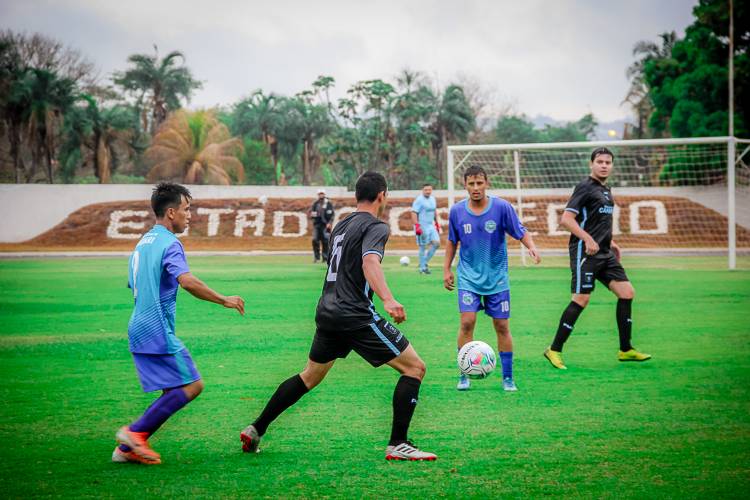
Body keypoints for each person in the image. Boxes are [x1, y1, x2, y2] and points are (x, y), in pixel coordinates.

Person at [240, 171, 436, 461]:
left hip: (327, 311)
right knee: (414, 368)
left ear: (358, 195)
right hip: (354, 314)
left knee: (309, 376)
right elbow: (369, 262)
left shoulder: (341, 226)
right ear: (382, 195)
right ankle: (398, 444)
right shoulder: (376, 227)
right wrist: (388, 299)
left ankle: (257, 427)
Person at [113, 182, 245, 465]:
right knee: (192, 385)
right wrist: (224, 299)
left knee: (173, 389)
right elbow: (186, 281)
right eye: (187, 209)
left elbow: (134, 283)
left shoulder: (143, 243)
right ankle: (133, 433)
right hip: (156, 328)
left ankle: (126, 450)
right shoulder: (170, 243)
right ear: (171, 212)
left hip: (137, 326)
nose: (190, 215)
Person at [544, 147, 651, 369]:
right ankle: (554, 350)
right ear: (591, 164)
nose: (604, 165)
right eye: (600, 161)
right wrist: (589, 239)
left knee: (627, 292)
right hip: (586, 252)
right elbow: (567, 219)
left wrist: (610, 243)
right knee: (581, 299)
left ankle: (625, 349)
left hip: (604, 252)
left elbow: (596, 221)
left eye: (608, 162)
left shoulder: (606, 190)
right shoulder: (584, 187)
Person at [443, 165, 541, 392]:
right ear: (465, 185)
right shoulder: (457, 211)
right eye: (471, 184)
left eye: (480, 183)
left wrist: (532, 247)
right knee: (467, 323)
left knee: (502, 325)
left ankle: (508, 378)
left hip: (497, 279)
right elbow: (451, 242)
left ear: (487, 184)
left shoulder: (502, 208)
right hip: (468, 278)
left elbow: (520, 230)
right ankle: (464, 374)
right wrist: (446, 269)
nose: (476, 188)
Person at [411, 183, 441, 274]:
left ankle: (423, 263)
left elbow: (434, 211)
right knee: (423, 246)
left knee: (437, 243)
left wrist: (436, 223)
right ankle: (422, 269)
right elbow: (414, 213)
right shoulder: (419, 200)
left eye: (429, 190)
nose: (428, 191)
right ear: (422, 190)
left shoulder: (433, 199)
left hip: (430, 225)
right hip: (421, 225)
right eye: (426, 190)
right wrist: (416, 225)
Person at [310, 189, 335, 263]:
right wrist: (316, 215)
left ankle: (325, 257)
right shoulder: (315, 203)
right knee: (315, 240)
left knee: (326, 241)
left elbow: (332, 215)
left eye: (322, 194)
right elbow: (312, 214)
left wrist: (329, 223)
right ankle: (316, 257)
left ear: (324, 194)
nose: (321, 195)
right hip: (317, 225)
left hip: (325, 225)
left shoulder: (328, 203)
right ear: (318, 195)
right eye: (320, 194)